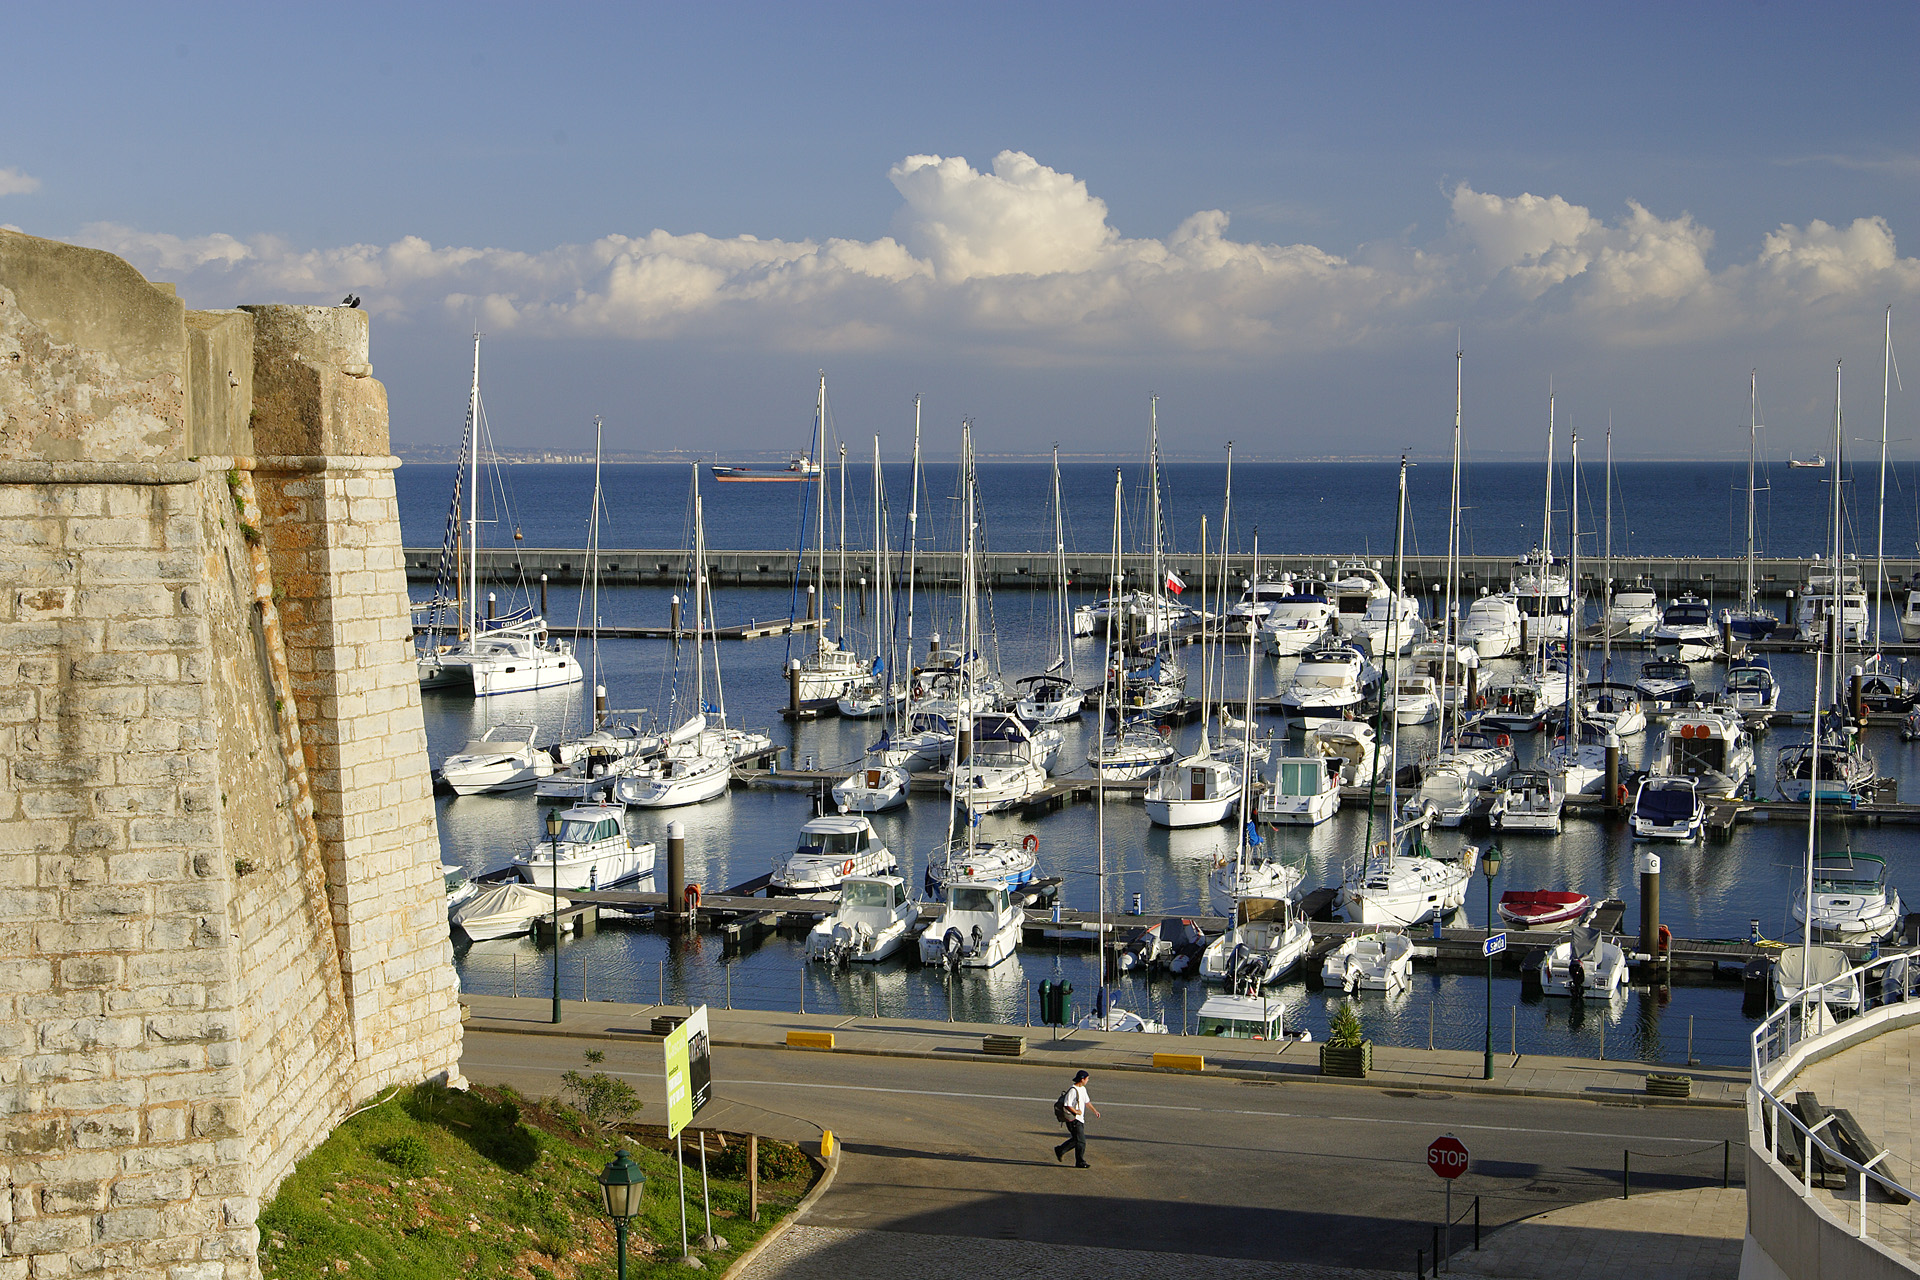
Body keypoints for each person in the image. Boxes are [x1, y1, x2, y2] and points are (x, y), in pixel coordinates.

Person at [1053, 1070, 1099, 1168]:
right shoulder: (1073, 1090)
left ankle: (1060, 1150)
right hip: (1073, 1119)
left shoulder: (1083, 1089)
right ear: (1082, 1079)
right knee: (1081, 1141)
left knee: (1076, 1139)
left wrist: (1095, 1111)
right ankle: (1080, 1162)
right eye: (1087, 1078)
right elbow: (1067, 1104)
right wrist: (1076, 1112)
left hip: (1079, 1118)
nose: (1088, 1080)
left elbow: (1087, 1102)